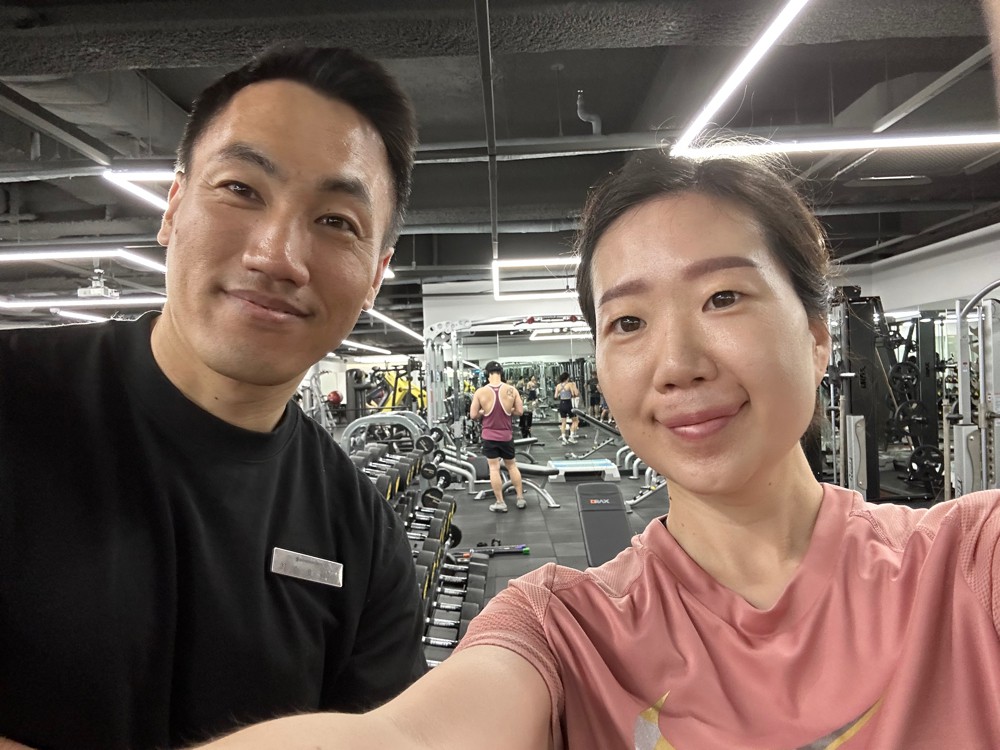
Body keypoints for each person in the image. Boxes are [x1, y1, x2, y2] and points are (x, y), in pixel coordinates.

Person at [196, 146, 1000, 749]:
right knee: (503, 470)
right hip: (502, 449)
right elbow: (408, 738)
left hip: (499, 439)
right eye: (628, 322)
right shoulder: (561, 632)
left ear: (819, 337)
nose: (678, 364)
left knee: (503, 470)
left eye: (723, 297)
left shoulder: (970, 565)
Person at [0, 46, 428, 750]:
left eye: (336, 222)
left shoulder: (364, 540)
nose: (277, 256)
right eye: (240, 189)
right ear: (173, 208)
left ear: (376, 275)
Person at [470, 361, 526, 512]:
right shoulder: (511, 390)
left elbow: (473, 415)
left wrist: (483, 412)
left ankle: (500, 502)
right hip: (506, 436)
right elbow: (520, 411)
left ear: (487, 374)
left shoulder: (480, 392)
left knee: (494, 468)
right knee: (512, 466)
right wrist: (509, 410)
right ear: (501, 373)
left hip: (489, 436)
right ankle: (520, 498)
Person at [554, 371, 580, 444]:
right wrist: (574, 386)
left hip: (561, 404)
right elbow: (575, 393)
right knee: (576, 421)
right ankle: (571, 437)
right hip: (568, 404)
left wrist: (561, 393)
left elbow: (555, 396)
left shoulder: (558, 385)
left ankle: (563, 437)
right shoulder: (570, 384)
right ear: (567, 378)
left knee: (563, 422)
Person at [519, 373, 539, 438]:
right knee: (531, 403)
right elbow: (527, 389)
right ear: (531, 378)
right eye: (532, 377)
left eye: (534, 377)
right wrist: (530, 389)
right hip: (531, 393)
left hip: (534, 393)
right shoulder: (529, 383)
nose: (533, 378)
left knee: (535, 403)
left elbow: (536, 388)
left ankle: (534, 412)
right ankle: (532, 412)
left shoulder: (535, 382)